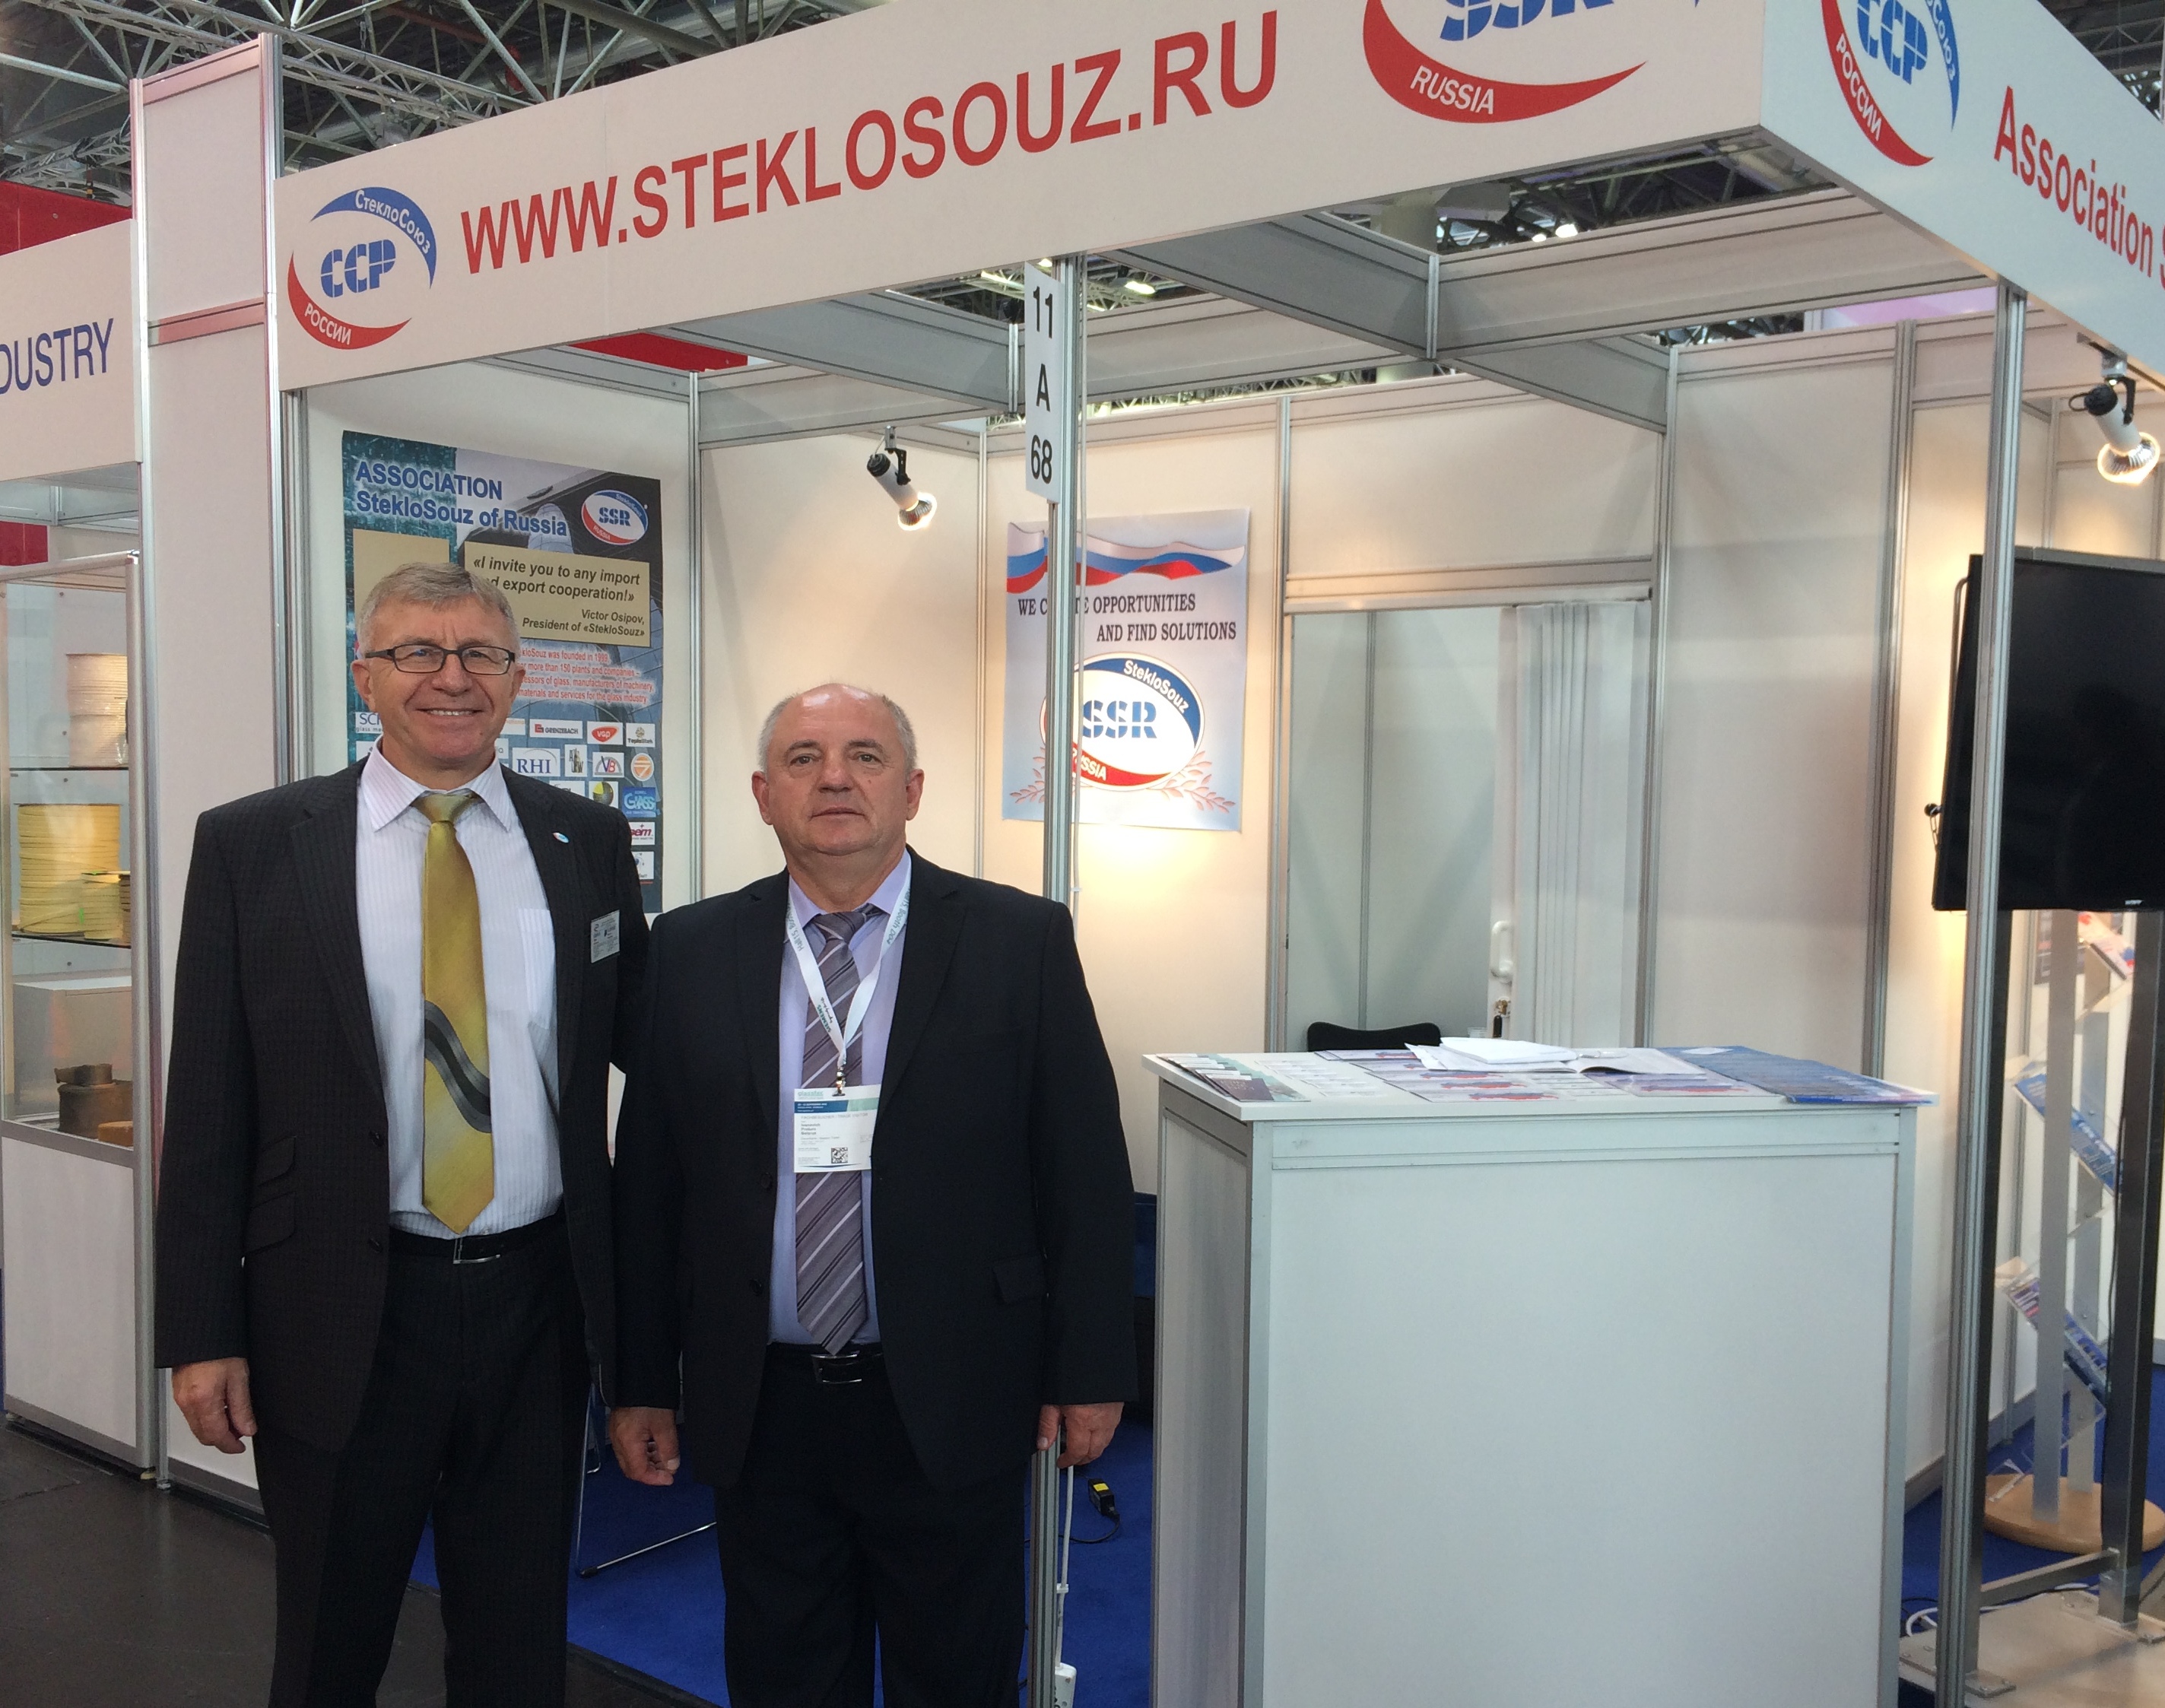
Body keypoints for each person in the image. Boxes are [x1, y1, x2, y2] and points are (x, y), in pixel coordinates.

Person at [154, 561, 649, 1707]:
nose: (451, 678)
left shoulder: (584, 840)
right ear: (365, 675)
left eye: (481, 654)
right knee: (329, 1644)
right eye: (418, 652)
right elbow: (211, 1102)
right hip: (336, 1311)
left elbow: (644, 1043)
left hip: (537, 1306)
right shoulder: (255, 845)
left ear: (516, 679)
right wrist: (201, 1330)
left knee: (518, 1647)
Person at [610, 682, 1135, 1708]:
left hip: (952, 1386)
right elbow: (650, 1186)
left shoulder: (1017, 939)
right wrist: (639, 1380)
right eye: (804, 759)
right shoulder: (689, 949)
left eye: (864, 755)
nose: (835, 779)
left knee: (958, 1675)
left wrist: (1090, 1367)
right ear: (764, 794)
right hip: (760, 1399)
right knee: (785, 1674)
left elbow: (1082, 1168)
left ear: (913, 788)